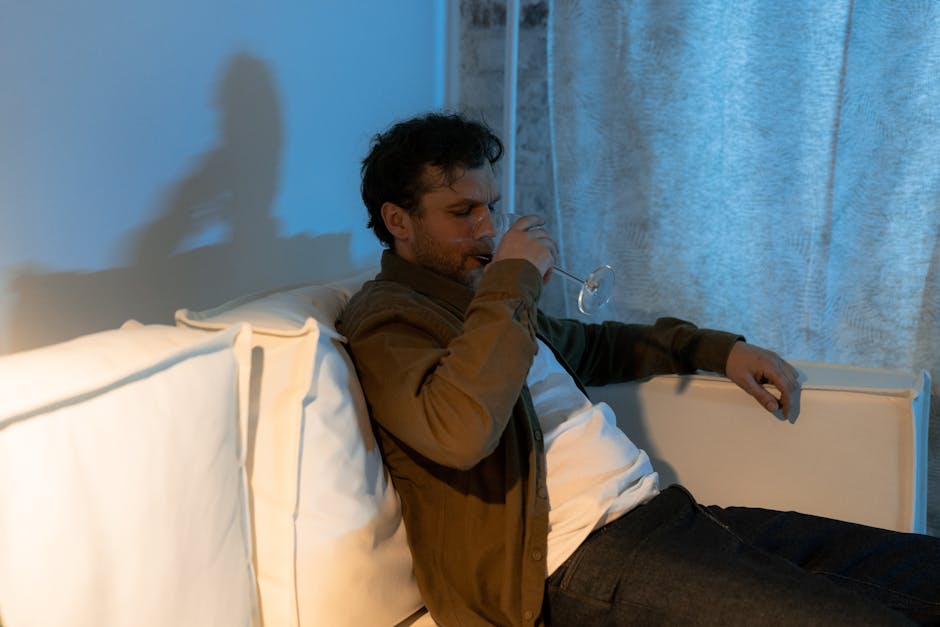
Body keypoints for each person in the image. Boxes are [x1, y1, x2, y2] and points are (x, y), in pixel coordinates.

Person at [338, 112, 940, 626]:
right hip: (575, 563)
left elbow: (602, 347)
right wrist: (513, 281)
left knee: (922, 574)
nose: (488, 228)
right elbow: (459, 429)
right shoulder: (387, 320)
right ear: (398, 220)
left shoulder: (480, 303)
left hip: (663, 516)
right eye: (462, 211)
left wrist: (715, 351)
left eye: (490, 207)